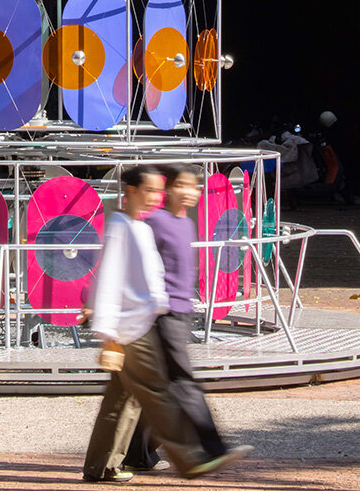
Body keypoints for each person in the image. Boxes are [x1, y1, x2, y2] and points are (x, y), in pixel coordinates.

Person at [83, 165, 237, 484]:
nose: (156, 197)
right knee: (157, 393)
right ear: (131, 192)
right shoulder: (121, 227)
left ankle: (100, 466)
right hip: (130, 329)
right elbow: (108, 280)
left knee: (120, 400)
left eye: (158, 190)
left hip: (141, 323)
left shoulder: (139, 227)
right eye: (149, 190)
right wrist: (108, 333)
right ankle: (189, 459)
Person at [126, 165, 252, 472]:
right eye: (184, 185)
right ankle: (212, 448)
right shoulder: (155, 222)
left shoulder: (185, 223)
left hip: (181, 311)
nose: (191, 192)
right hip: (162, 314)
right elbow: (133, 263)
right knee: (184, 382)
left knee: (160, 386)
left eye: (195, 187)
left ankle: (137, 455)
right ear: (168, 189)